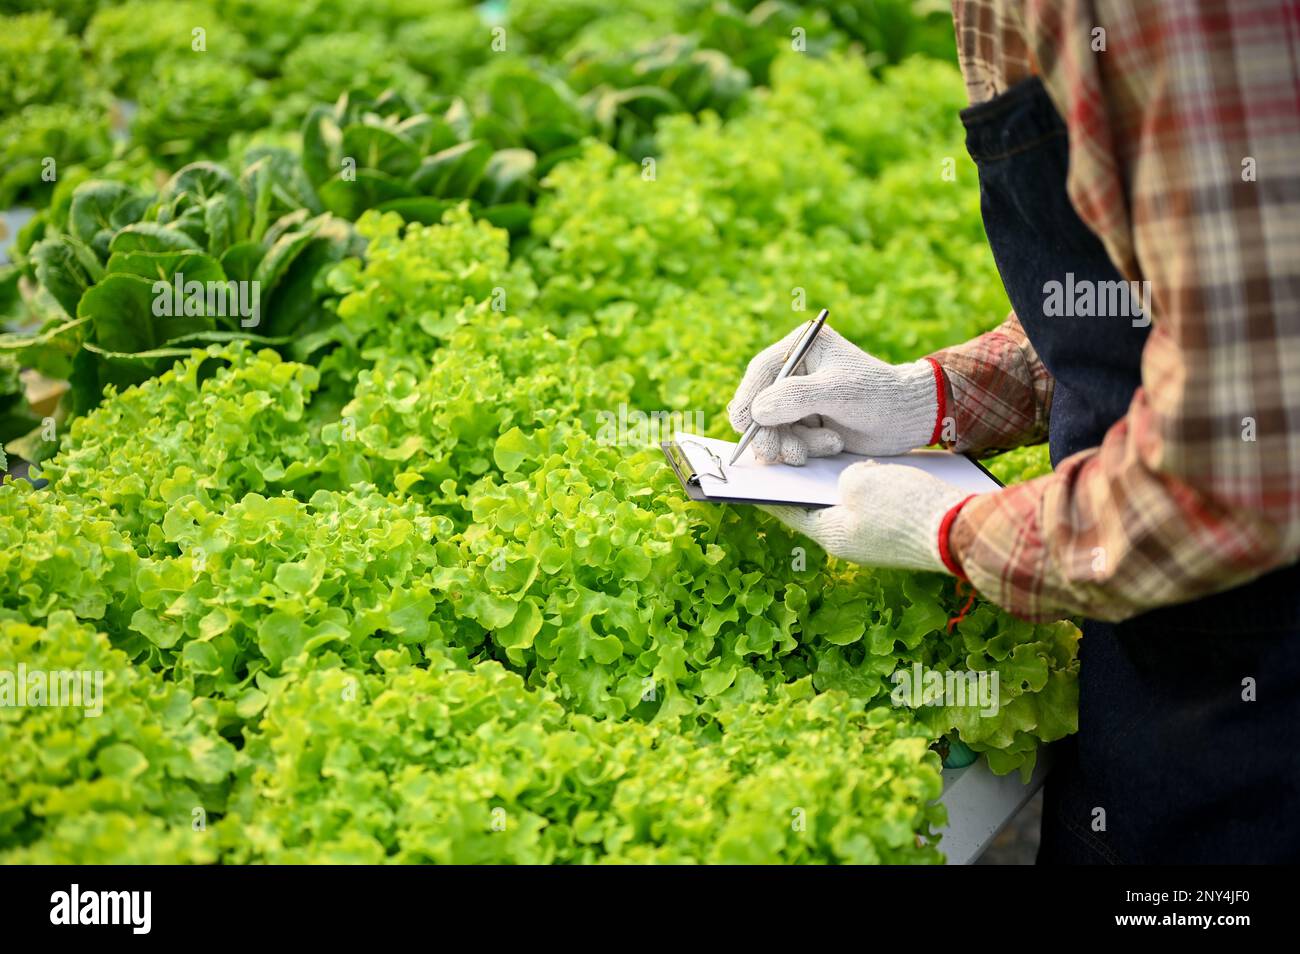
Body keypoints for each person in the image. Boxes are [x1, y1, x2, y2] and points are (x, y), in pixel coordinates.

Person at [727, 0, 1300, 864]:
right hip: (1146, 645)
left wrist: (950, 531)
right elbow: (1155, 302)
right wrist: (927, 396)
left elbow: (1239, 466)